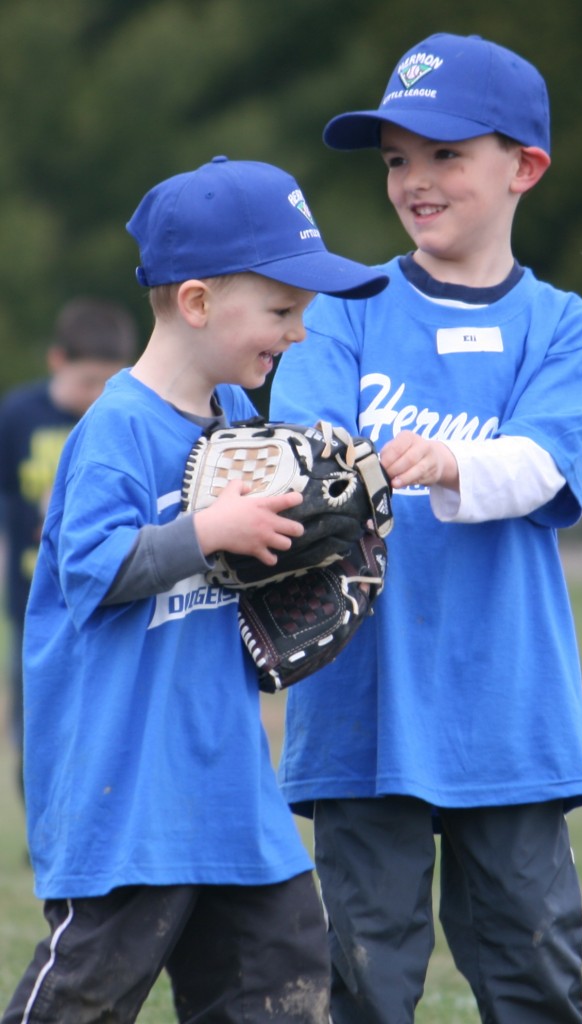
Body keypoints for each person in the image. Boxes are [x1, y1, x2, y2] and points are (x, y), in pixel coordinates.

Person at [269, 33, 582, 1024]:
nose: (412, 180)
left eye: (444, 153)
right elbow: (307, 446)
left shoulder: (559, 327)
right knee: (364, 979)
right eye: (394, 159)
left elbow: (540, 466)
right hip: (361, 707)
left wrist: (451, 460)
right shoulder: (342, 312)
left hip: (507, 711)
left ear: (524, 167)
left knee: (532, 973)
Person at [1, 155, 388, 1024]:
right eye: (282, 309)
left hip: (230, 795)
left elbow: (241, 591)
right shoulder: (115, 428)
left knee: (283, 987)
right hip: (126, 797)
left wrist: (305, 562)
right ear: (198, 301)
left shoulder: (241, 426)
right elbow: (92, 570)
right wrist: (210, 532)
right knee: (86, 998)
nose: (297, 332)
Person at [0, 298, 138, 803]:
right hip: (32, 598)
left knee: (100, 713)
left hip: (104, 596)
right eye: (87, 381)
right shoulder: (18, 414)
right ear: (58, 361)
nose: (96, 394)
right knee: (36, 714)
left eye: (108, 380)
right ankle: (40, 815)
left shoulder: (122, 418)